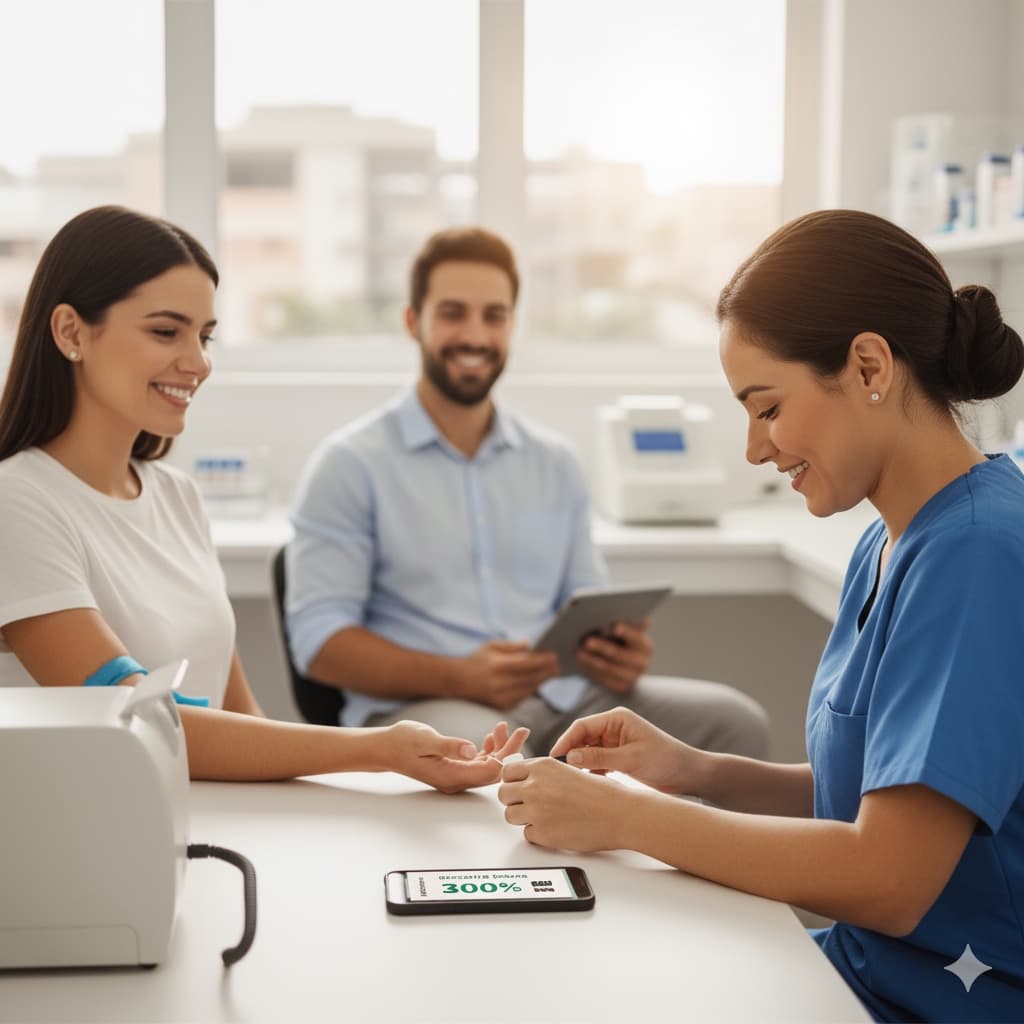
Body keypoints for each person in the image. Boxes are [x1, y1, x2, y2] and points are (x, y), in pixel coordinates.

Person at [496, 209, 1024, 1021]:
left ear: (869, 365)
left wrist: (630, 818)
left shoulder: (976, 553)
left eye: (767, 406)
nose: (753, 447)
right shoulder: (890, 540)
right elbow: (889, 796)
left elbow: (889, 875)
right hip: (863, 970)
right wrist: (694, 771)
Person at [0, 205, 526, 790]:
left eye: (204, 336)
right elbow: (139, 722)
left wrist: (359, 779)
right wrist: (380, 750)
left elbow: (239, 716)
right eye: (165, 331)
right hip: (105, 836)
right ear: (72, 332)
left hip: (213, 819)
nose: (198, 363)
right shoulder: (18, 503)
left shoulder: (176, 497)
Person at [286, 225, 769, 759]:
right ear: (411, 322)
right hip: (428, 708)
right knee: (486, 756)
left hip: (568, 700)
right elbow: (319, 644)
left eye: (494, 316)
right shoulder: (350, 465)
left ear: (512, 325)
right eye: (453, 313)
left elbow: (584, 603)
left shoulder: (554, 462)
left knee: (734, 726)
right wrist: (459, 677)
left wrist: (615, 655)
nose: (475, 335)